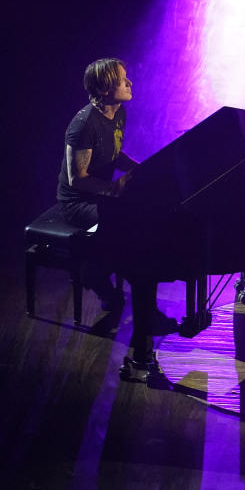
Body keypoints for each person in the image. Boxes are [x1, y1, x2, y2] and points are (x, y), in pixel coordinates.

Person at [57, 58, 177, 381]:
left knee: (144, 220)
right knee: (127, 230)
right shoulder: (82, 125)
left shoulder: (118, 113)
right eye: (124, 81)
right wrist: (112, 189)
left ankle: (138, 303)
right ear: (107, 88)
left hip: (103, 194)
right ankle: (97, 275)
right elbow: (76, 179)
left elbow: (114, 155)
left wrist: (139, 169)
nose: (130, 84)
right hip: (79, 202)